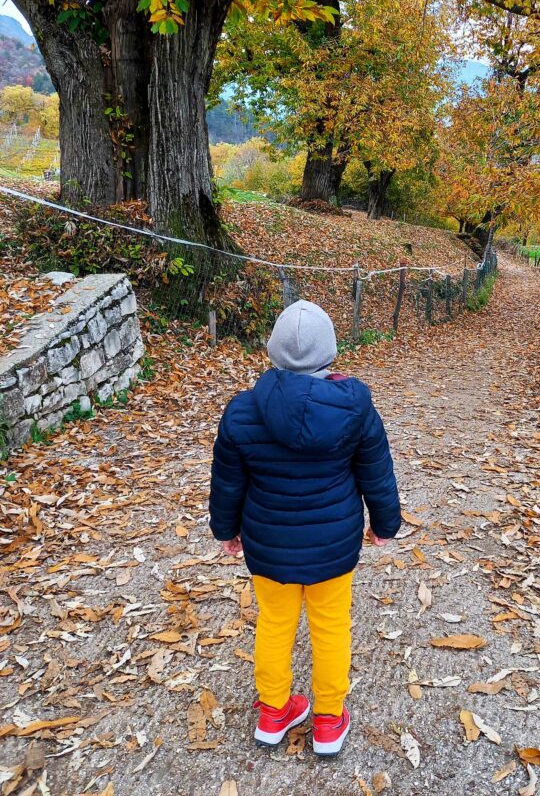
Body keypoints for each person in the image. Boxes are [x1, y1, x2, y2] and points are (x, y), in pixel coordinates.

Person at [209, 299, 401, 757]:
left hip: (268, 543)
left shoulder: (241, 411)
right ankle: (329, 721)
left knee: (274, 623)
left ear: (272, 351)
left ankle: (274, 712)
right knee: (331, 626)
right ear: (332, 352)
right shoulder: (355, 408)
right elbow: (376, 471)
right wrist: (385, 524)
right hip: (332, 544)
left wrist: (226, 529)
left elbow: (228, 481)